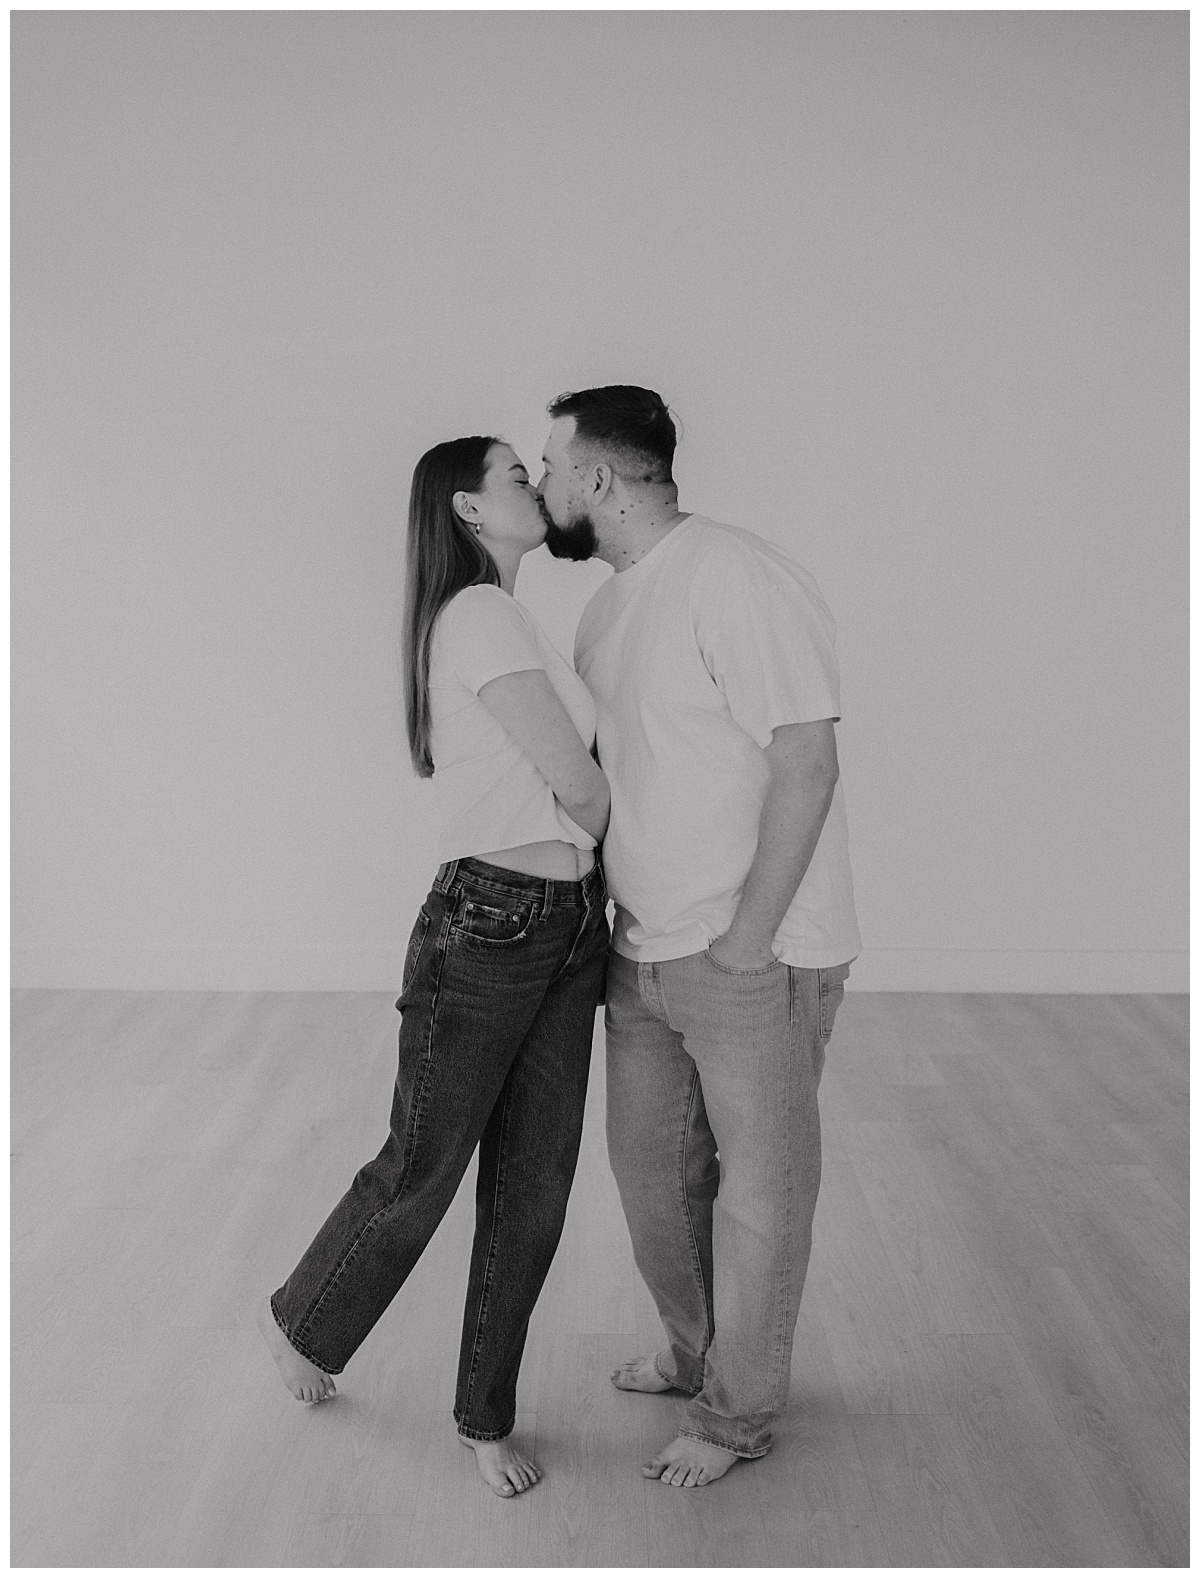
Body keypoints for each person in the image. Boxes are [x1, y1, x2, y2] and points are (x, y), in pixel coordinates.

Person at [257, 434, 611, 1499]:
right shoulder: (480, 615)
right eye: (516, 473)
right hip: (494, 922)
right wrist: (600, 819)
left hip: (564, 921)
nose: (535, 485)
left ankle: (484, 1416)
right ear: (465, 508)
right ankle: (304, 1327)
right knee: (424, 1168)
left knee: (534, 1188)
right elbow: (578, 783)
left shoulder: (512, 615)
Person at [537, 385, 860, 1490]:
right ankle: (693, 1353)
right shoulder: (612, 606)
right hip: (644, 950)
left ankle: (735, 1416)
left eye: (549, 464)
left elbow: (807, 760)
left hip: (752, 953)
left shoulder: (736, 576)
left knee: (760, 1197)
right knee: (652, 1182)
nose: (539, 485)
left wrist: (747, 940)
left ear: (598, 479)